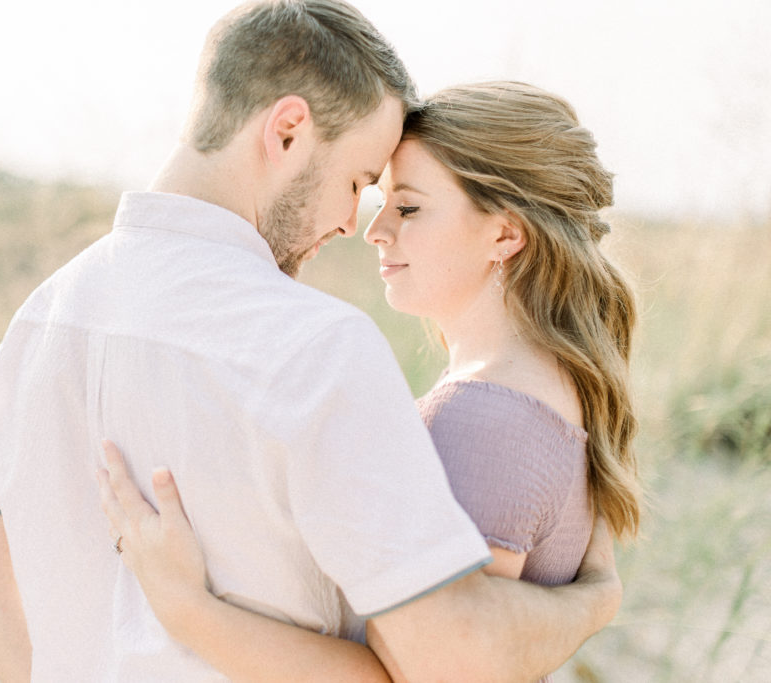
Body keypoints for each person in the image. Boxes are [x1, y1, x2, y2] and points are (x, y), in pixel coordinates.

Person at [0, 0, 622, 678]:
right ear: (288, 130)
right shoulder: (319, 348)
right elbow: (444, 659)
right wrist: (593, 602)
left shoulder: (43, 317)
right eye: (356, 181)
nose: (355, 222)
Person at [97, 81, 642, 682]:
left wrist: (188, 610)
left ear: (505, 235)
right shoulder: (526, 391)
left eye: (408, 208)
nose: (375, 229)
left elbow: (436, 669)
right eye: (377, 199)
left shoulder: (488, 416)